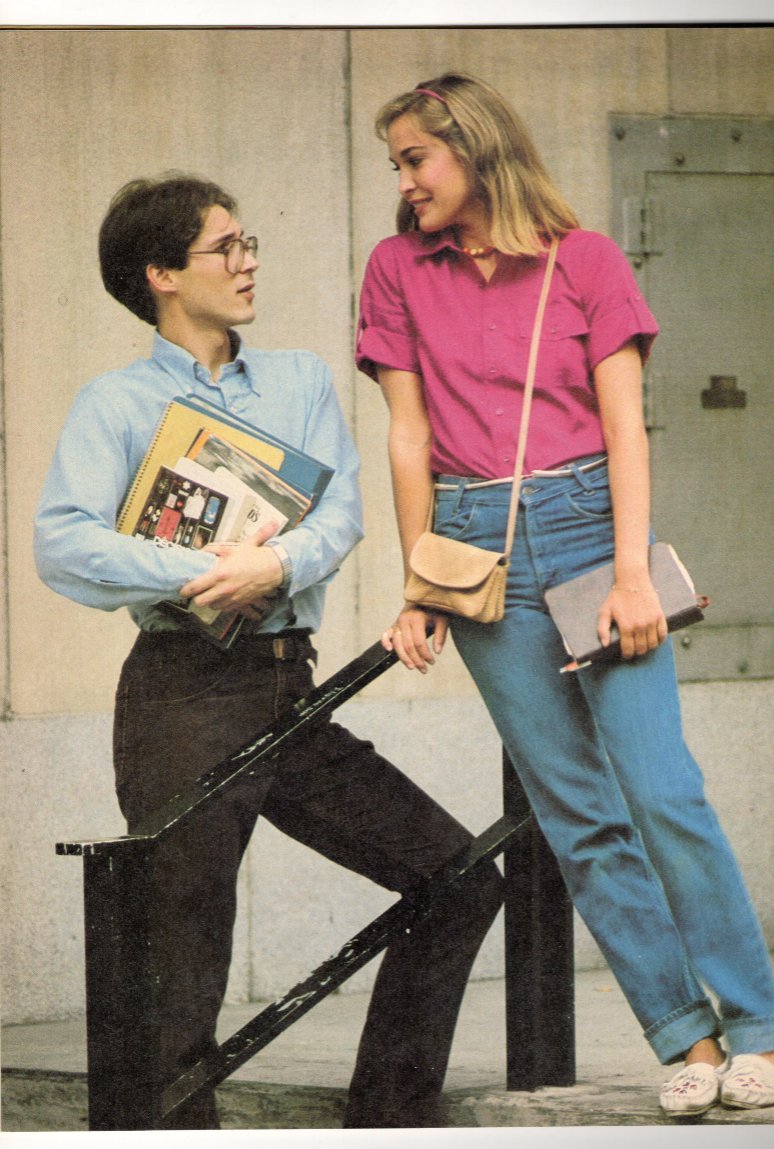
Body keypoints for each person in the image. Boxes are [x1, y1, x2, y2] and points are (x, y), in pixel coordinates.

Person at [356, 72, 774, 1118]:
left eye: (416, 158)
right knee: (575, 814)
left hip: (592, 529)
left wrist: (633, 570)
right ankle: (683, 1035)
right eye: (396, 164)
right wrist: (420, 582)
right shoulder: (395, 269)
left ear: (474, 149)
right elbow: (409, 435)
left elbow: (625, 427)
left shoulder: (585, 260)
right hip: (476, 547)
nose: (404, 181)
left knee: (660, 788)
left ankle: (757, 1025)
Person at [34, 173, 502, 1130]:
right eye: (226, 247)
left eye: (250, 243)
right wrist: (202, 568)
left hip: (290, 684)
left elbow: (339, 513)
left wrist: (276, 564)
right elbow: (63, 543)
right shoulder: (115, 403)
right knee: (181, 965)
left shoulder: (297, 380)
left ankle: (387, 1118)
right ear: (162, 273)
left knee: (457, 876)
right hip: (181, 692)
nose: (248, 263)